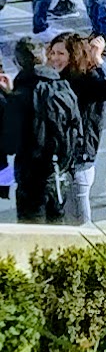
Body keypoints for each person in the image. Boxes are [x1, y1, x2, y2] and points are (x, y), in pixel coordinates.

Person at [3, 36, 82, 222]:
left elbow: (9, 144)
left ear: (18, 62)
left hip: (31, 176)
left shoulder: (21, 96)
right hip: (59, 172)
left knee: (34, 237)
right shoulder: (63, 88)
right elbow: (76, 128)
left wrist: (8, 99)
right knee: (59, 231)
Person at [60, 33, 106, 225]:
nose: (53, 58)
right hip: (60, 160)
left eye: (60, 53)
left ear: (73, 55)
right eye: (52, 52)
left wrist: (98, 59)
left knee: (79, 225)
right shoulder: (55, 78)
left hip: (79, 160)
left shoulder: (88, 79)